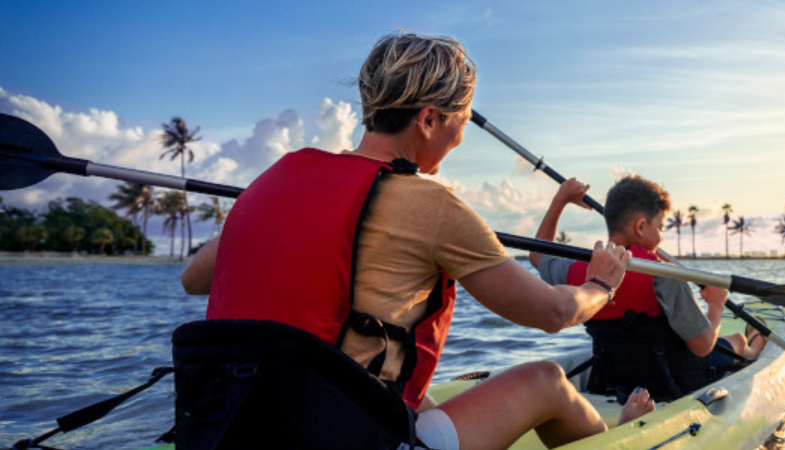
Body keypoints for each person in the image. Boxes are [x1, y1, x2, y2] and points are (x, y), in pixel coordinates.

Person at [180, 32, 654, 450]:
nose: (459, 138)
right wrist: (600, 285)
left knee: (414, 392)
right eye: (460, 122)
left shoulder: (276, 180)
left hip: (242, 424)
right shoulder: (431, 206)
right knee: (548, 380)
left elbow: (194, 278)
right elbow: (552, 312)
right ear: (428, 120)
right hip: (345, 434)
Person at [529, 177, 767, 403]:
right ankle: (756, 342)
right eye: (660, 227)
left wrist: (560, 199)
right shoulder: (665, 276)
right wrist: (716, 303)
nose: (661, 237)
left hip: (610, 380)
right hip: (674, 383)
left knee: (725, 341)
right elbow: (703, 346)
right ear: (641, 226)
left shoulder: (576, 269)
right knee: (735, 340)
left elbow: (537, 254)